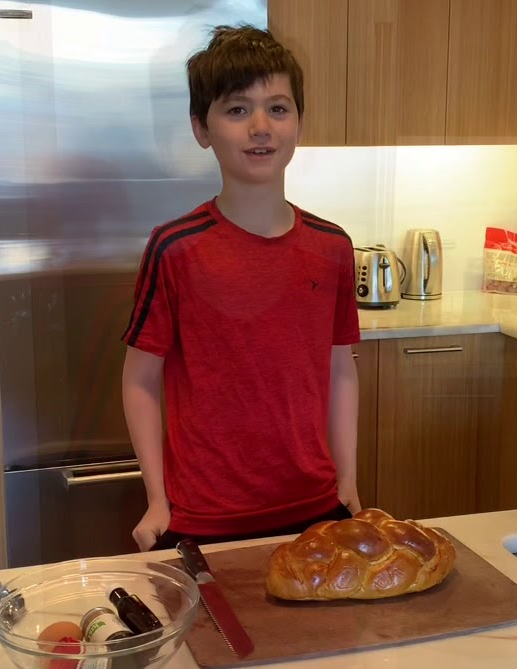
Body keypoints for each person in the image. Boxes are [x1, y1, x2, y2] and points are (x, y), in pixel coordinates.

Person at [121, 24, 361, 552]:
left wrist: (347, 479)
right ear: (201, 129)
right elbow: (140, 380)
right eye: (237, 110)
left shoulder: (333, 246)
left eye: (278, 108)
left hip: (315, 509)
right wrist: (158, 499)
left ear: (299, 122)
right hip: (204, 517)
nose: (261, 127)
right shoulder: (175, 248)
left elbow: (340, 367)